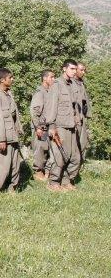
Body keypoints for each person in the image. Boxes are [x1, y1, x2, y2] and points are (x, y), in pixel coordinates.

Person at [43, 59, 82, 192]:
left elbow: (75, 106)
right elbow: (51, 107)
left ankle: (66, 180)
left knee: (75, 157)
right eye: (72, 69)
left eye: (75, 69)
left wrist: (77, 119)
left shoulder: (73, 85)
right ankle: (53, 182)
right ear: (64, 69)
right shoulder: (56, 85)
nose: (74, 71)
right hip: (59, 126)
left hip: (71, 126)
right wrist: (52, 126)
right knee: (59, 156)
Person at [0, 68, 23, 192]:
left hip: (12, 135)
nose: (12, 79)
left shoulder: (9, 94)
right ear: (3, 80)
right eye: (10, 78)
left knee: (15, 165)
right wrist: (1, 139)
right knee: (1, 165)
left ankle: (12, 187)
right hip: (3, 138)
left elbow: (14, 115)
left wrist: (18, 129)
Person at [30, 70, 54, 181]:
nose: (53, 79)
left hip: (48, 126)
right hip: (41, 127)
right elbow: (35, 111)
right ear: (45, 78)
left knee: (47, 148)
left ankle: (45, 171)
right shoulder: (40, 92)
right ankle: (38, 171)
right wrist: (38, 127)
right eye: (52, 77)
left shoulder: (50, 92)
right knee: (40, 148)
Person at [74, 62, 92, 163]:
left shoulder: (81, 83)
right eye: (81, 70)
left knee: (83, 142)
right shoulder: (70, 83)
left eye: (84, 70)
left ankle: (79, 164)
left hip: (82, 116)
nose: (83, 72)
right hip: (74, 117)